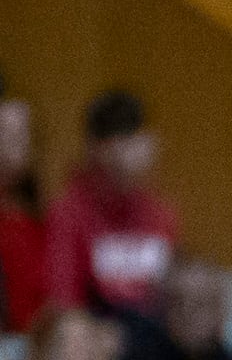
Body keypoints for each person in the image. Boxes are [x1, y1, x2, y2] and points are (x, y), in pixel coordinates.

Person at [40, 89, 177, 325]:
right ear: (93, 149)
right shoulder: (68, 214)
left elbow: (171, 299)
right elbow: (64, 303)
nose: (124, 157)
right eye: (116, 145)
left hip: (153, 346)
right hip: (92, 345)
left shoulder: (160, 215)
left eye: (132, 142)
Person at [0, 84, 43, 334]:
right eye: (6, 133)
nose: (19, 143)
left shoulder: (39, 213)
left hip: (30, 349)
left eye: (23, 133)